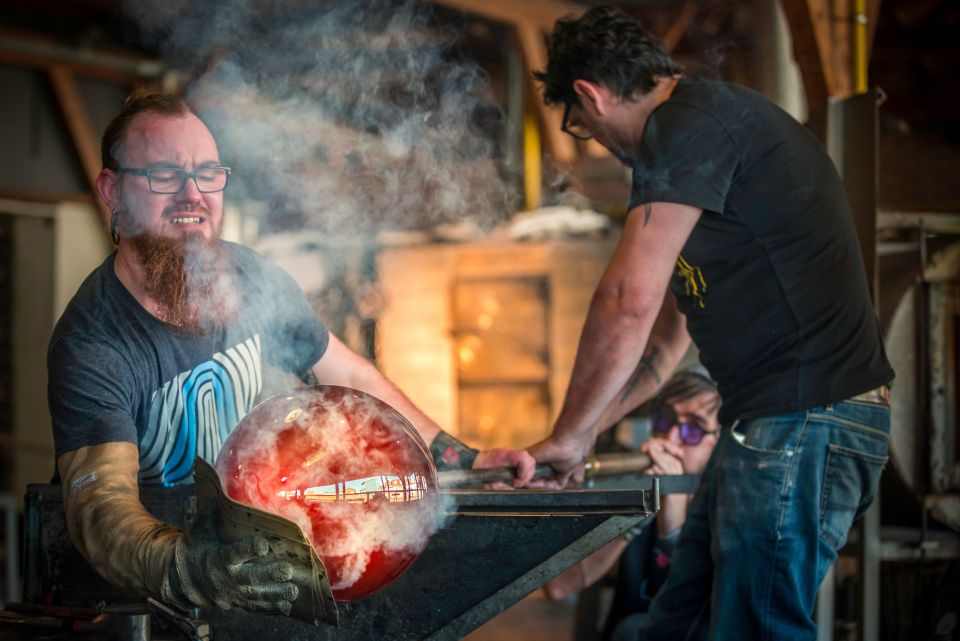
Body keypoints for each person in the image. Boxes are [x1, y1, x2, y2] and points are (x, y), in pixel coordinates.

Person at [47, 91, 535, 616]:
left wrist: (465, 458)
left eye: (208, 174)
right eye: (164, 175)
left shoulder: (253, 278)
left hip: (250, 572)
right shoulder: (94, 343)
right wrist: (193, 568)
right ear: (112, 190)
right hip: (141, 604)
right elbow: (102, 510)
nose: (192, 195)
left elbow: (352, 377)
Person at [527, 7, 894, 640]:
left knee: (754, 630)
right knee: (678, 624)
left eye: (584, 129)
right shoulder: (700, 150)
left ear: (589, 95)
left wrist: (563, 435)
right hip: (771, 422)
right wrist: (584, 436)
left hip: (804, 419)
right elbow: (661, 352)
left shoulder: (688, 125)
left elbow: (626, 300)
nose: (601, 147)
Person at [543, 369, 721, 639]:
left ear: (719, 441)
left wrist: (672, 519)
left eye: (693, 429)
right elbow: (558, 586)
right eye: (665, 420)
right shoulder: (636, 487)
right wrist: (639, 509)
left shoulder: (729, 509)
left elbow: (692, 615)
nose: (671, 438)